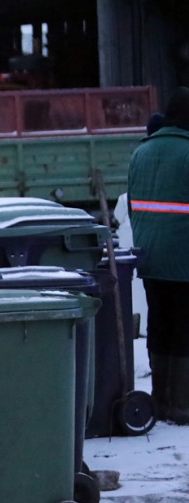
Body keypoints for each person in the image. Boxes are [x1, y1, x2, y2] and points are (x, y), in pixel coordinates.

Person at [128, 87, 189, 423]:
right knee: (183, 328)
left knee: (159, 323)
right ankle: (182, 405)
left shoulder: (141, 152)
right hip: (183, 258)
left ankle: (161, 400)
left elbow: (135, 205)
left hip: (151, 256)